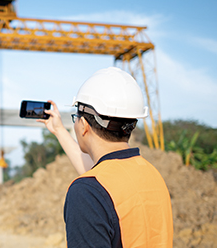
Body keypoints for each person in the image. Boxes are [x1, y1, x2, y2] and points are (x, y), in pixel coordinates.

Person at [37, 67, 173, 247]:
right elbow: (101, 177)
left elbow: (97, 186)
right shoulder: (151, 174)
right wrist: (59, 131)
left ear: (84, 124)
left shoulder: (86, 192)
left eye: (75, 117)